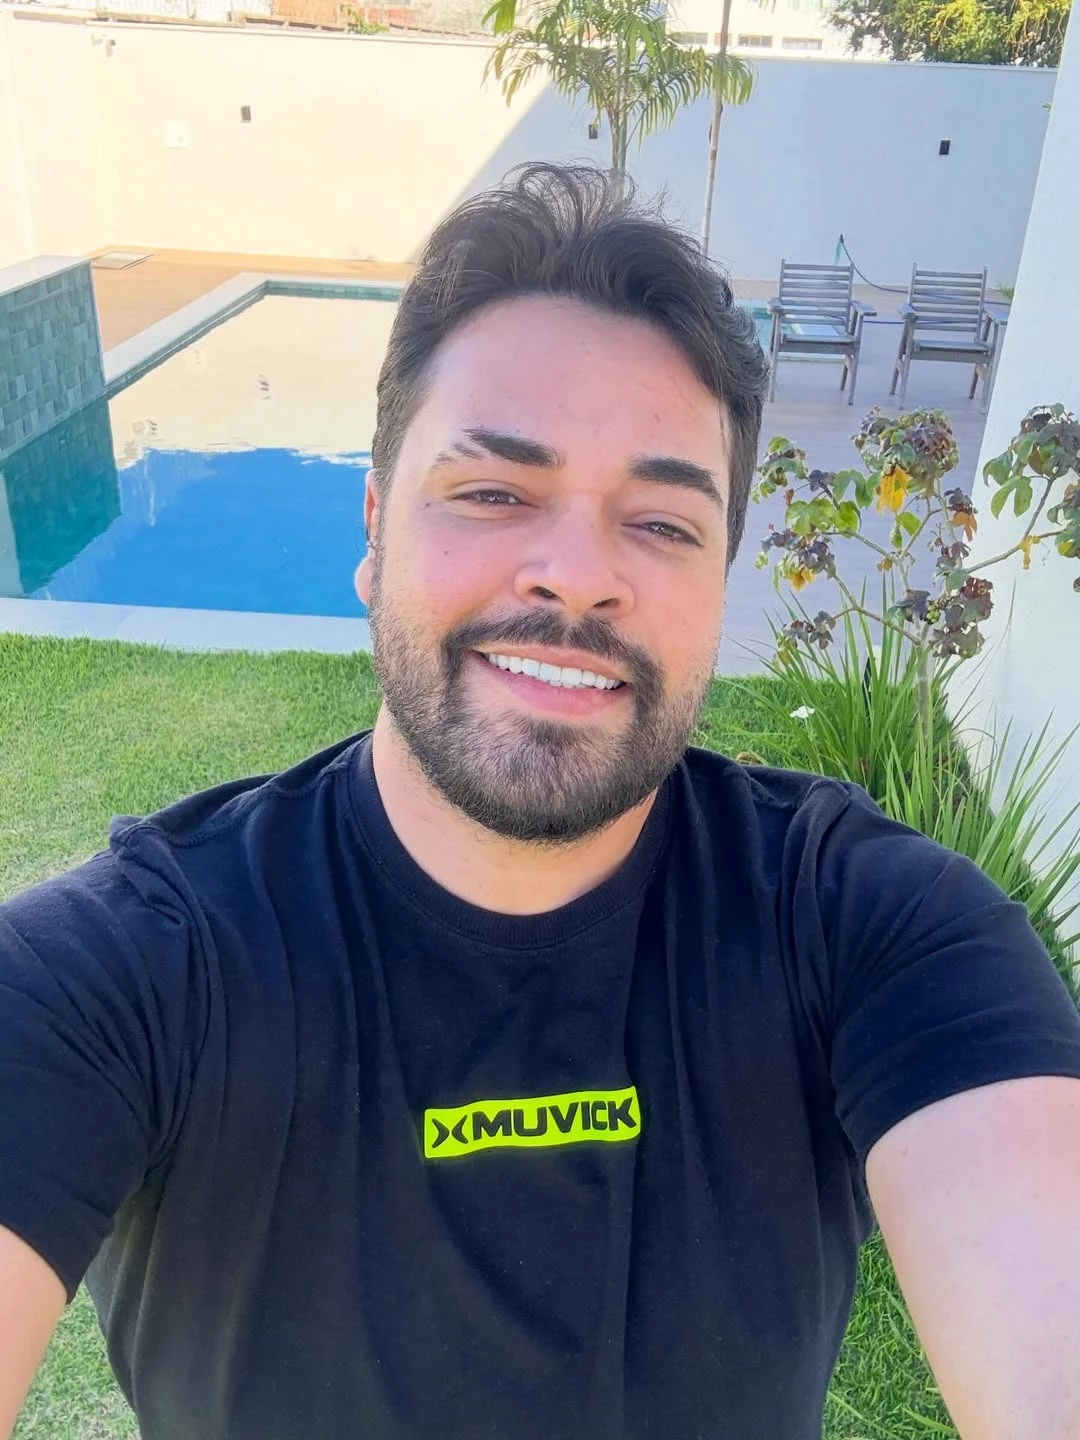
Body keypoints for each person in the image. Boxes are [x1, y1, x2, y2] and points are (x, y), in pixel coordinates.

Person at [2, 164, 1080, 1440]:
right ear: (374, 530)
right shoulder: (125, 971)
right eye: (495, 493)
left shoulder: (871, 928)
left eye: (663, 523)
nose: (577, 575)